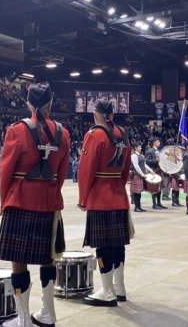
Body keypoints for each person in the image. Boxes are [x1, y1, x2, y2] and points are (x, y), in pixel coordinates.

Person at [0, 83, 70, 327]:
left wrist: (4, 200)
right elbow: (62, 172)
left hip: (21, 199)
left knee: (19, 259)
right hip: (48, 201)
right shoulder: (63, 133)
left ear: (29, 104)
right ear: (50, 104)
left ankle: (23, 319)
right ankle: (48, 313)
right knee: (49, 257)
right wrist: (51, 193)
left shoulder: (17, 130)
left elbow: (5, 171)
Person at [78, 99, 132, 307]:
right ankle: (120, 288)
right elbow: (126, 169)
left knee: (102, 246)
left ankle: (107, 291)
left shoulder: (94, 135)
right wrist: (118, 184)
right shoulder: (123, 134)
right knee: (118, 245)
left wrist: (83, 198)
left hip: (100, 197)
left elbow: (86, 169)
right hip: (118, 195)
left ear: (97, 114)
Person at [130, 142, 155, 213]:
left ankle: (139, 206)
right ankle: (136, 207)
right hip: (136, 175)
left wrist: (151, 170)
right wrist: (142, 174)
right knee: (136, 192)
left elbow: (144, 165)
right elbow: (136, 166)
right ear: (135, 148)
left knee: (139, 192)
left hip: (140, 175)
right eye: (139, 147)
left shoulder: (141, 155)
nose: (141, 148)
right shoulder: (134, 156)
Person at [144, 138, 167, 210]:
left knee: (159, 188)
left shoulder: (159, 151)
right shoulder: (149, 151)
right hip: (153, 171)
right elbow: (147, 162)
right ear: (154, 143)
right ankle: (154, 204)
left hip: (159, 170)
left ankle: (159, 203)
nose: (159, 143)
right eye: (158, 141)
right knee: (154, 188)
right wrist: (155, 160)